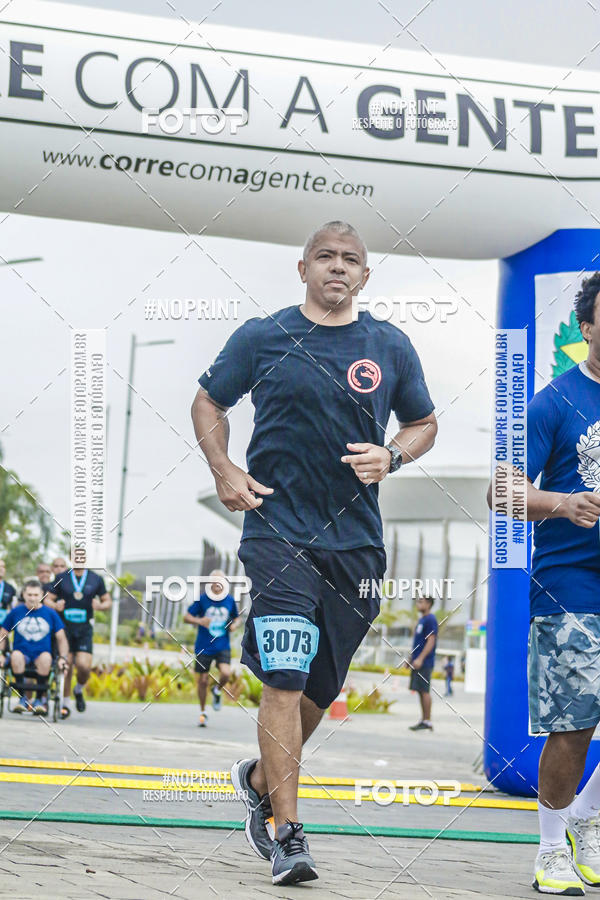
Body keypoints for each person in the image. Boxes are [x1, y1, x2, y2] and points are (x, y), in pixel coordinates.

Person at [191, 220, 437, 885]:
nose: (337, 266)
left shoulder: (390, 345)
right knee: (286, 671)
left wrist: (394, 454)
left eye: (349, 259)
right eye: (324, 257)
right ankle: (288, 835)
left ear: (364, 275)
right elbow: (210, 400)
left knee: (318, 689)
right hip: (276, 531)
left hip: (357, 546)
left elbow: (423, 423)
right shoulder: (262, 336)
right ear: (302, 269)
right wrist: (223, 469)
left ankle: (258, 777)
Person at [488, 273, 600, 896]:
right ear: (586, 327)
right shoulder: (553, 402)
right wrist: (561, 503)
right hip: (570, 581)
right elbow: (499, 491)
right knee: (575, 721)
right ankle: (551, 848)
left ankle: (586, 819)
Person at [44, 566, 112, 718]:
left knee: (83, 666)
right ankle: (65, 704)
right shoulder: (62, 576)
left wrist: (100, 606)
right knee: (66, 665)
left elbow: (107, 601)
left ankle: (79, 689)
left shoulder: (96, 578)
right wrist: (55, 605)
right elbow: (47, 598)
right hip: (65, 627)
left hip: (84, 630)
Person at [0, 578, 68, 714]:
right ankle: (22, 699)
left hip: (42, 654)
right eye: (29, 595)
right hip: (22, 653)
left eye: (36, 595)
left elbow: (61, 639)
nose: (32, 598)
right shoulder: (16, 612)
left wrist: (63, 658)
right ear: (23, 594)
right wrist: (1, 654)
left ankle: (38, 701)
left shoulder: (51, 614)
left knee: (46, 658)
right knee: (16, 655)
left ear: (42, 594)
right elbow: (3, 633)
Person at [183, 569, 241, 727]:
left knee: (226, 673)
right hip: (203, 646)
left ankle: (216, 690)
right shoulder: (202, 599)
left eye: (220, 582)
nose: (217, 585)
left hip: (222, 644)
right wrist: (200, 621)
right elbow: (186, 617)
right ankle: (203, 712)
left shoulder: (229, 600)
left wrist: (234, 625)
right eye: (214, 582)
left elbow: (237, 618)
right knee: (202, 680)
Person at [408, 596, 438, 731]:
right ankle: (424, 719)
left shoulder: (431, 619)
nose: (418, 604)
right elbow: (418, 643)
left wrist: (420, 659)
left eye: (421, 602)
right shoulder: (421, 620)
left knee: (424, 690)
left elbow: (431, 641)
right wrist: (410, 659)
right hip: (417, 661)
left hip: (425, 662)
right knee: (420, 690)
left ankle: (428, 721)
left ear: (429, 604)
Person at [0, 560, 17, 626]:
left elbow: (13, 606)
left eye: (3, 567)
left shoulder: (10, 588)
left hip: (3, 625)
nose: (1, 569)